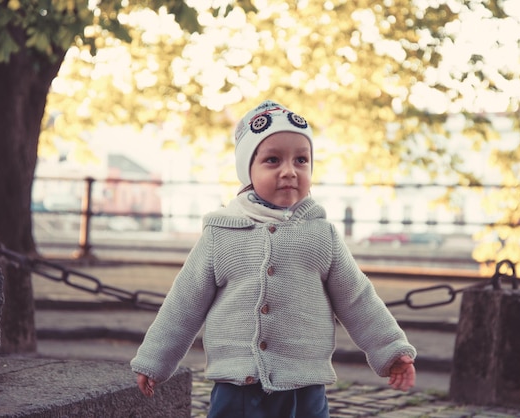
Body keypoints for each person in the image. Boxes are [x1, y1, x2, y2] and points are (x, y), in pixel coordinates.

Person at [130, 100, 417, 417]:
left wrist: (391, 351)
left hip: (304, 385)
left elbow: (358, 298)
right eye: (272, 160)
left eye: (301, 160)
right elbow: (184, 302)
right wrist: (155, 360)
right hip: (237, 385)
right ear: (247, 171)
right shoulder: (220, 234)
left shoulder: (322, 235)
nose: (289, 171)